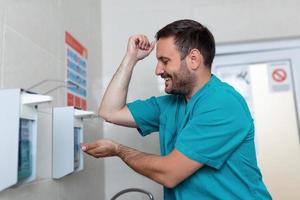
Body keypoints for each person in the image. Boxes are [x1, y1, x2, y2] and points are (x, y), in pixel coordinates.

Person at [81, 19, 272, 200]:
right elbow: (109, 111)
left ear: (194, 59)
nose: (158, 70)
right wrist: (131, 58)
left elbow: (169, 173)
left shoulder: (223, 103)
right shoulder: (170, 104)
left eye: (164, 61)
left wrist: (119, 150)